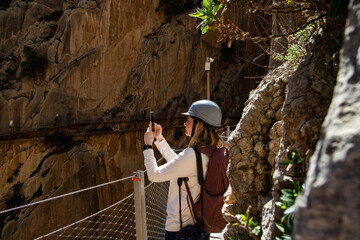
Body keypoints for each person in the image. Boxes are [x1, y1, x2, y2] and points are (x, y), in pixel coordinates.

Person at [143, 100, 223, 240]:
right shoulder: (212, 151)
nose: (185, 124)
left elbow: (153, 175)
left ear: (199, 124)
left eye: (189, 120)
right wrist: (159, 139)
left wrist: (148, 146)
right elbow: (179, 165)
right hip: (200, 228)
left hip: (179, 231)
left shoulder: (192, 154)